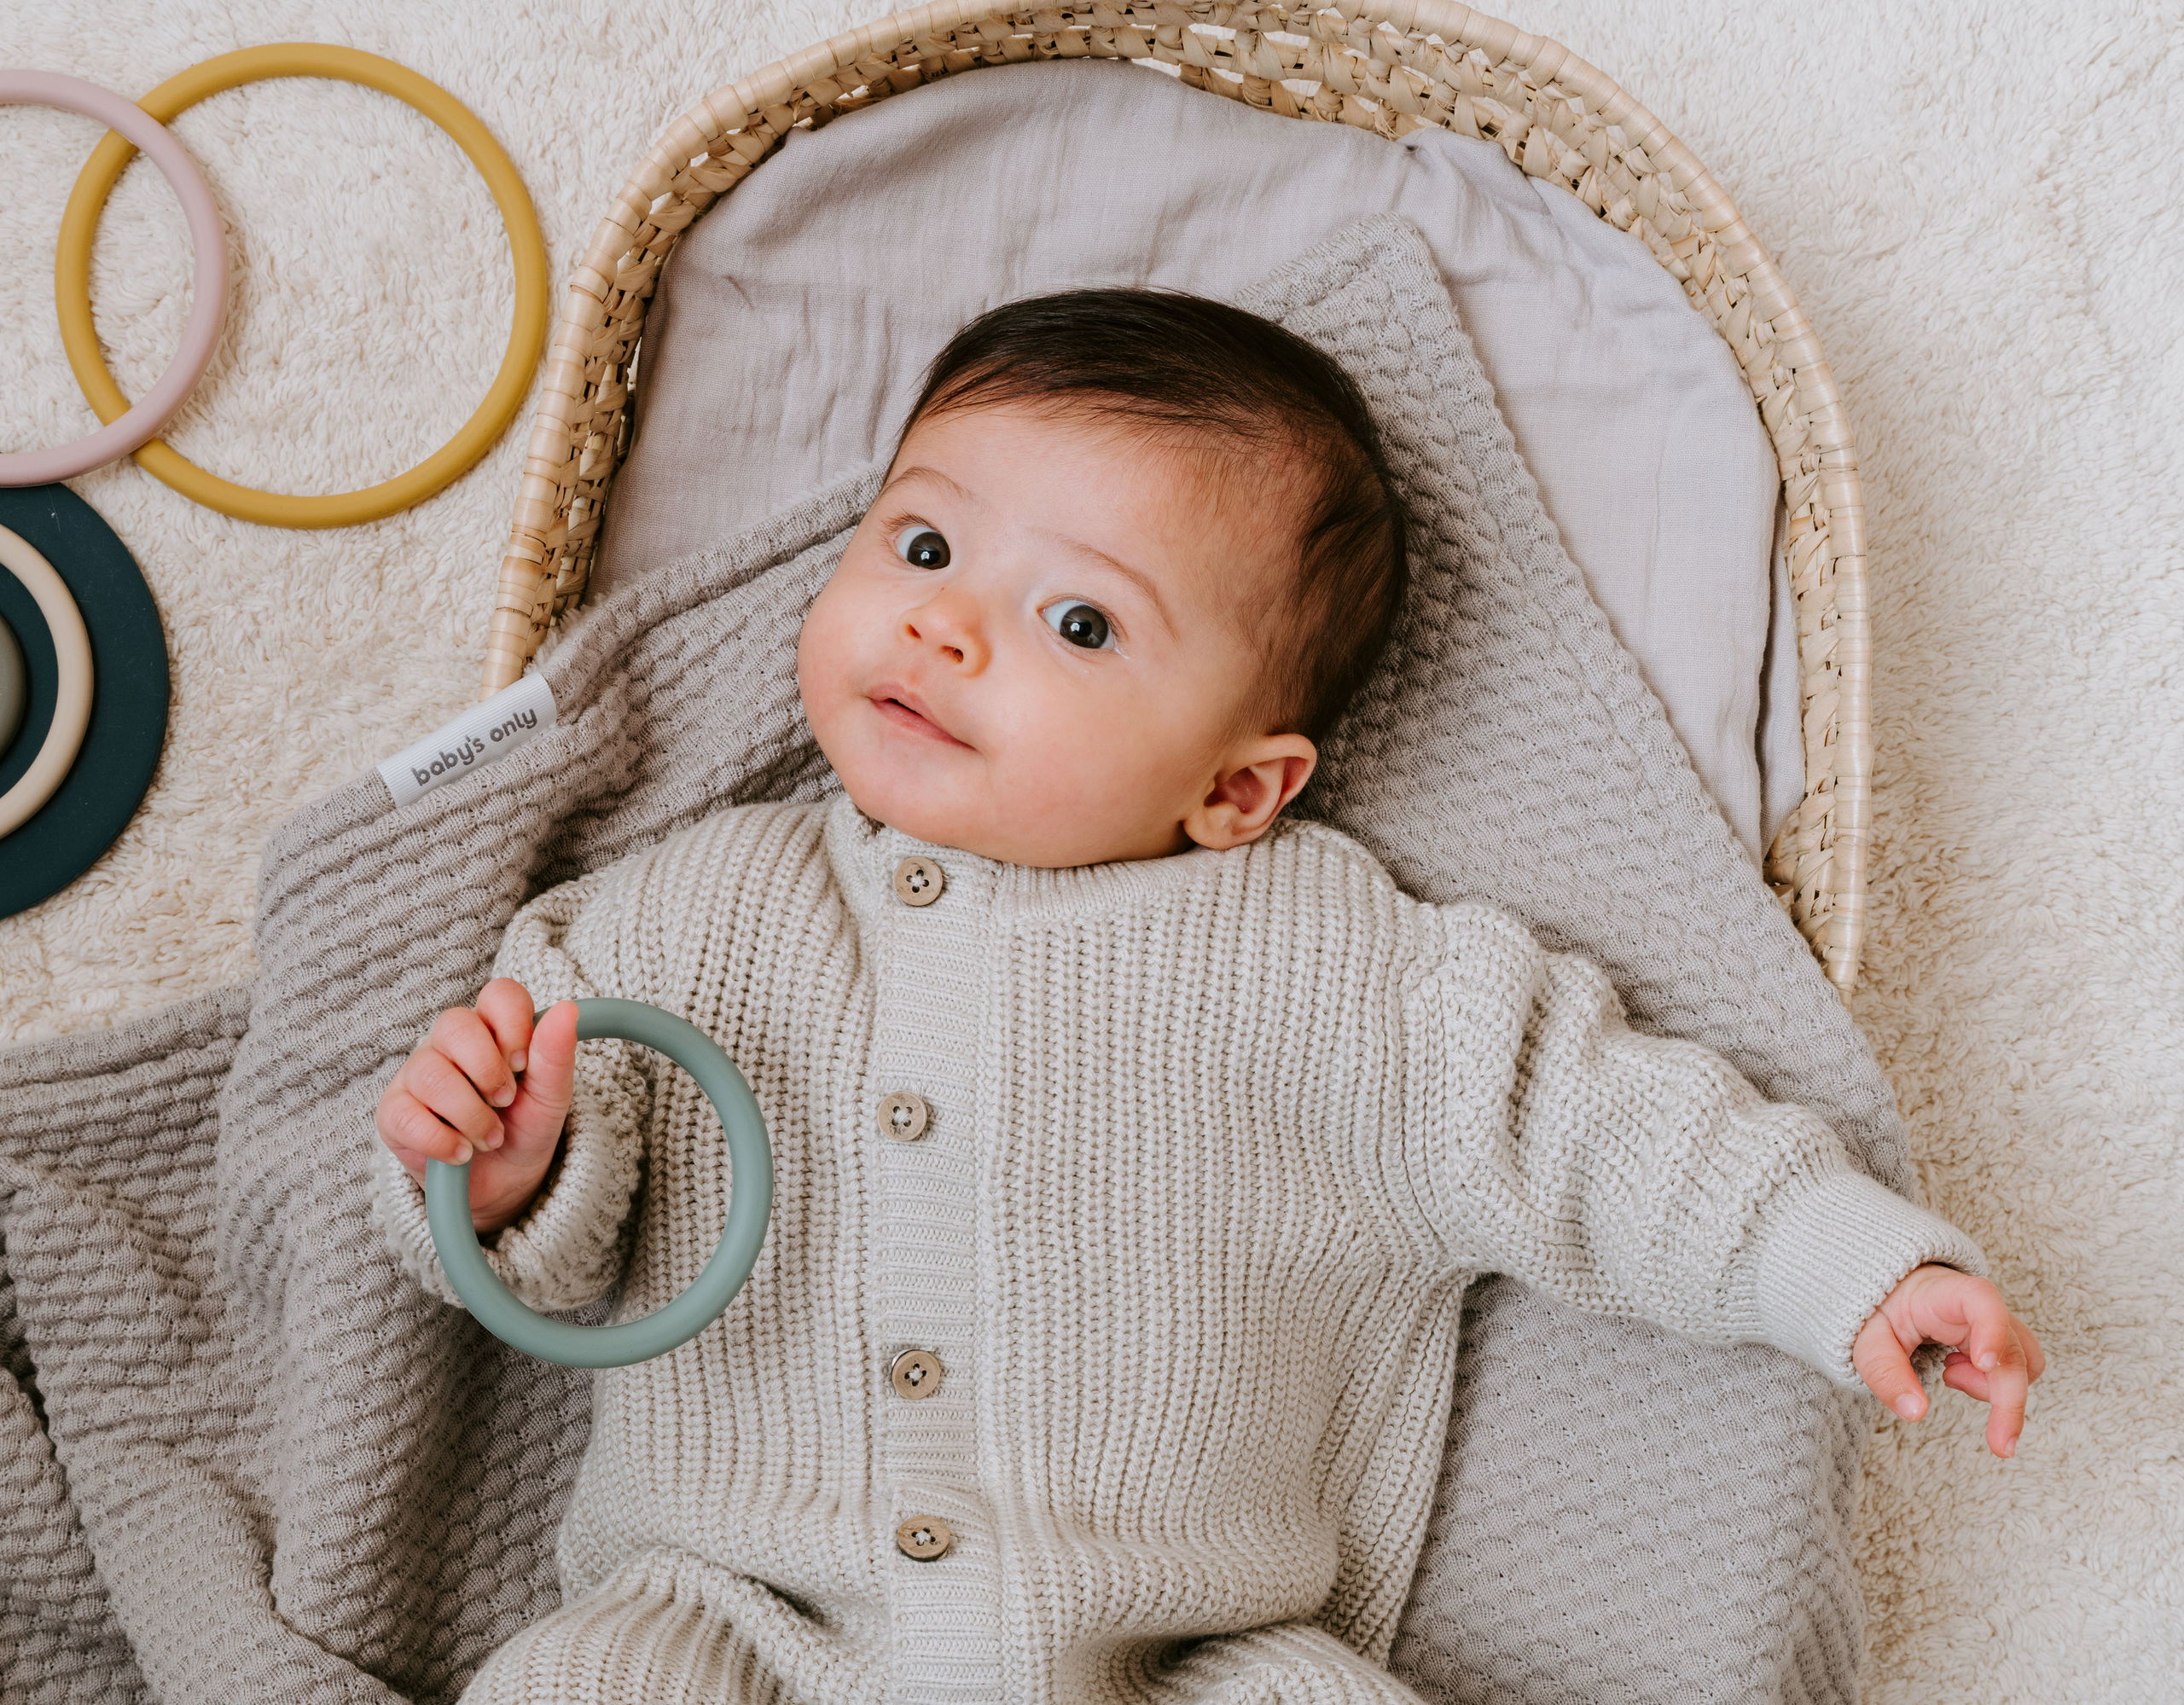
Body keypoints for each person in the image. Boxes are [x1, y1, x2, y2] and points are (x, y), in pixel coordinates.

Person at [371, 289, 2043, 1704]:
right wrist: (501, 1172)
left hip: (1183, 1646)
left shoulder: (1333, 959)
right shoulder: (685, 909)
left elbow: (1601, 1131)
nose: (948, 625)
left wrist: (1847, 1264)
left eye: (1080, 618)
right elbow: (519, 1242)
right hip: (737, 1616)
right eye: (927, 541)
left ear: (1240, 789)